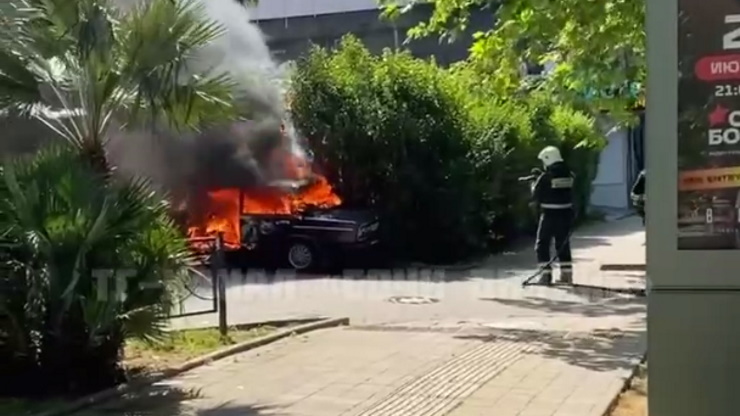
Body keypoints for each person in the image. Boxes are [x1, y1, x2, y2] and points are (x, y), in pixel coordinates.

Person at [531, 146, 575, 285]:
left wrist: (534, 182)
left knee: (542, 245)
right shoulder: (570, 175)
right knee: (562, 245)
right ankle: (566, 276)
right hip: (566, 214)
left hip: (549, 215)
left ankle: (545, 276)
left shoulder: (546, 177)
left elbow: (535, 195)